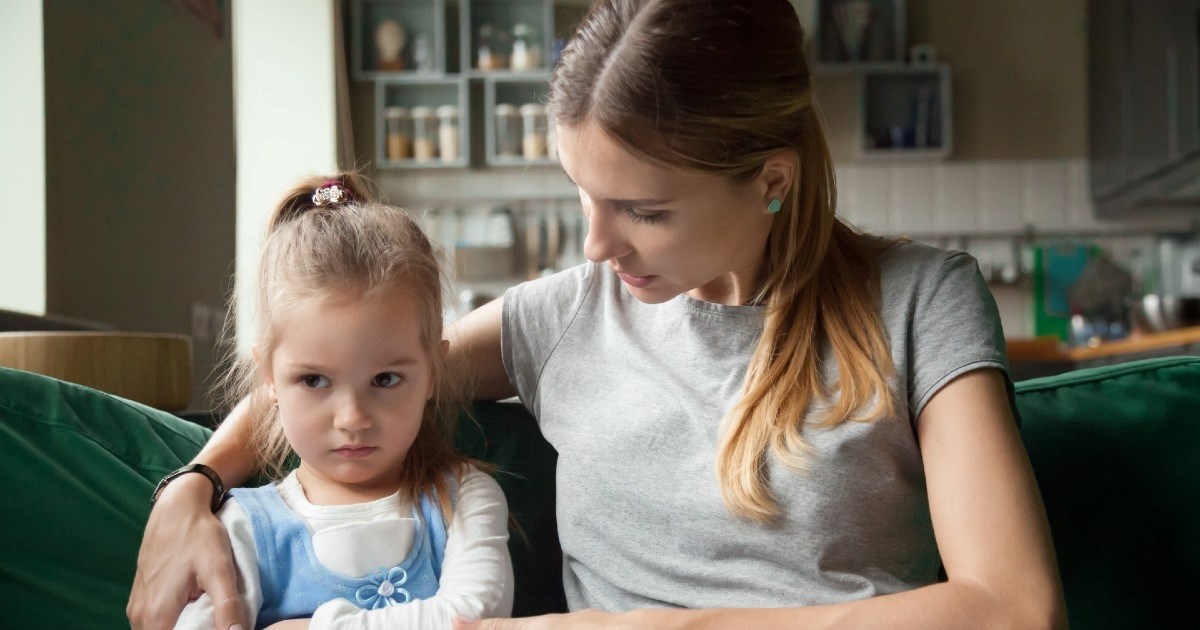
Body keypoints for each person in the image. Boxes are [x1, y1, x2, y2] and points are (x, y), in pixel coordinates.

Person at [130, 1, 1067, 628]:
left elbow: (1017, 607)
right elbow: (345, 372)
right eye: (584, 194)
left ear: (770, 181)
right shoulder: (566, 317)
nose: (597, 247)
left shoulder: (921, 301)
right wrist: (193, 486)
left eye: (645, 212)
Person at [167, 175, 513, 629]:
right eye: (314, 380)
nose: (353, 419)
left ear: (433, 372)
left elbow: (474, 618)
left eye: (386, 379)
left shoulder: (464, 498)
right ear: (269, 377)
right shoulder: (245, 526)